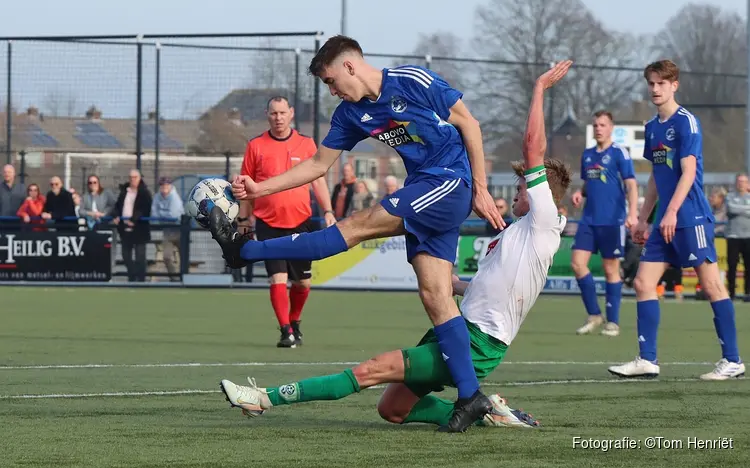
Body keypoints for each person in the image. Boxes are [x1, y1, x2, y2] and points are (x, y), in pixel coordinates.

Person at [217, 60, 574, 430]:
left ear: (349, 66)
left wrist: (536, 94)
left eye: (331, 80)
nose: (332, 90)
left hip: (448, 185)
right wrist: (261, 188)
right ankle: (478, 404)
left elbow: (492, 131)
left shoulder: (544, 221)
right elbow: (318, 165)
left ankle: (247, 260)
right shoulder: (512, 234)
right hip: (457, 311)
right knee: (406, 372)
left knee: (355, 232)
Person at [608, 60, 744, 381]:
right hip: (663, 223)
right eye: (651, 84)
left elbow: (689, 172)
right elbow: (656, 178)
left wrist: (670, 212)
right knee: (643, 283)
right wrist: (644, 218)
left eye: (661, 83)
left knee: (711, 286)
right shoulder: (652, 127)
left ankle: (733, 360)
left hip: (691, 218)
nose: (655, 89)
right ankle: (647, 359)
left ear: (674, 85)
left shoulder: (686, 123)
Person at [237, 96, 336, 348]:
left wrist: (328, 210)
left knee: (302, 282)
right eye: (273, 113)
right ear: (267, 114)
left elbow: (318, 180)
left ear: (291, 113)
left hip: (300, 223)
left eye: (282, 113)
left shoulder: (305, 144)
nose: (278, 118)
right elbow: (245, 185)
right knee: (277, 278)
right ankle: (285, 331)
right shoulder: (256, 146)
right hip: (268, 224)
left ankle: (295, 321)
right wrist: (243, 218)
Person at [570, 111, 638, 337]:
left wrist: (633, 213)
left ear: (611, 127)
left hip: (612, 220)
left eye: (603, 125)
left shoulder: (619, 152)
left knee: (611, 269)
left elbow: (631, 184)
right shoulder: (588, 154)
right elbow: (588, 182)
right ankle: (594, 315)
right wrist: (580, 193)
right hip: (589, 219)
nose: (598, 128)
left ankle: (613, 322)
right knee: (577, 264)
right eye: (596, 125)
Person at [112, 169, 153, 282]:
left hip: (139, 229)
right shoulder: (124, 192)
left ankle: (141, 279)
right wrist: (116, 216)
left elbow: (144, 208)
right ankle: (132, 275)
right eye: (131, 177)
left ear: (139, 178)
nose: (132, 179)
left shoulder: (144, 193)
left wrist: (133, 220)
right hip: (125, 229)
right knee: (126, 255)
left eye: (135, 177)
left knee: (140, 256)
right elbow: (117, 206)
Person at [151, 176, 184, 282]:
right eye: (162, 185)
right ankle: (174, 278)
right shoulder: (157, 197)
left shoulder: (175, 197)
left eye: (166, 185)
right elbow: (153, 215)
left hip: (180, 230)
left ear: (170, 186)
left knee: (184, 256)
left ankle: (184, 277)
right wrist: (164, 215)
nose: (164, 187)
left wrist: (161, 215)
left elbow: (173, 215)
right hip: (167, 232)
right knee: (166, 257)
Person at [725, 173, 750, 301]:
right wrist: (746, 210)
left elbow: (737, 210)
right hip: (733, 236)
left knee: (748, 266)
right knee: (732, 265)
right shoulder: (730, 197)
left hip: (748, 236)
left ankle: (747, 293)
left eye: (744, 181)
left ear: (748, 184)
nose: (741, 184)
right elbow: (731, 209)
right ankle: (731, 293)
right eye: (739, 181)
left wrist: (740, 209)